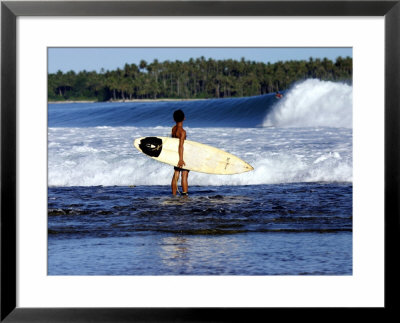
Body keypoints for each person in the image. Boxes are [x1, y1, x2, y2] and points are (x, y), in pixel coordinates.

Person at [171, 109, 189, 196]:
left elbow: (174, 143)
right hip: (182, 155)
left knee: (176, 173)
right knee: (184, 174)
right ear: (184, 118)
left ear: (174, 119)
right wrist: (181, 159)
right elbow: (181, 146)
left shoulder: (173, 129)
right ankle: (185, 195)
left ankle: (174, 194)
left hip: (175, 154)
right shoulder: (182, 132)